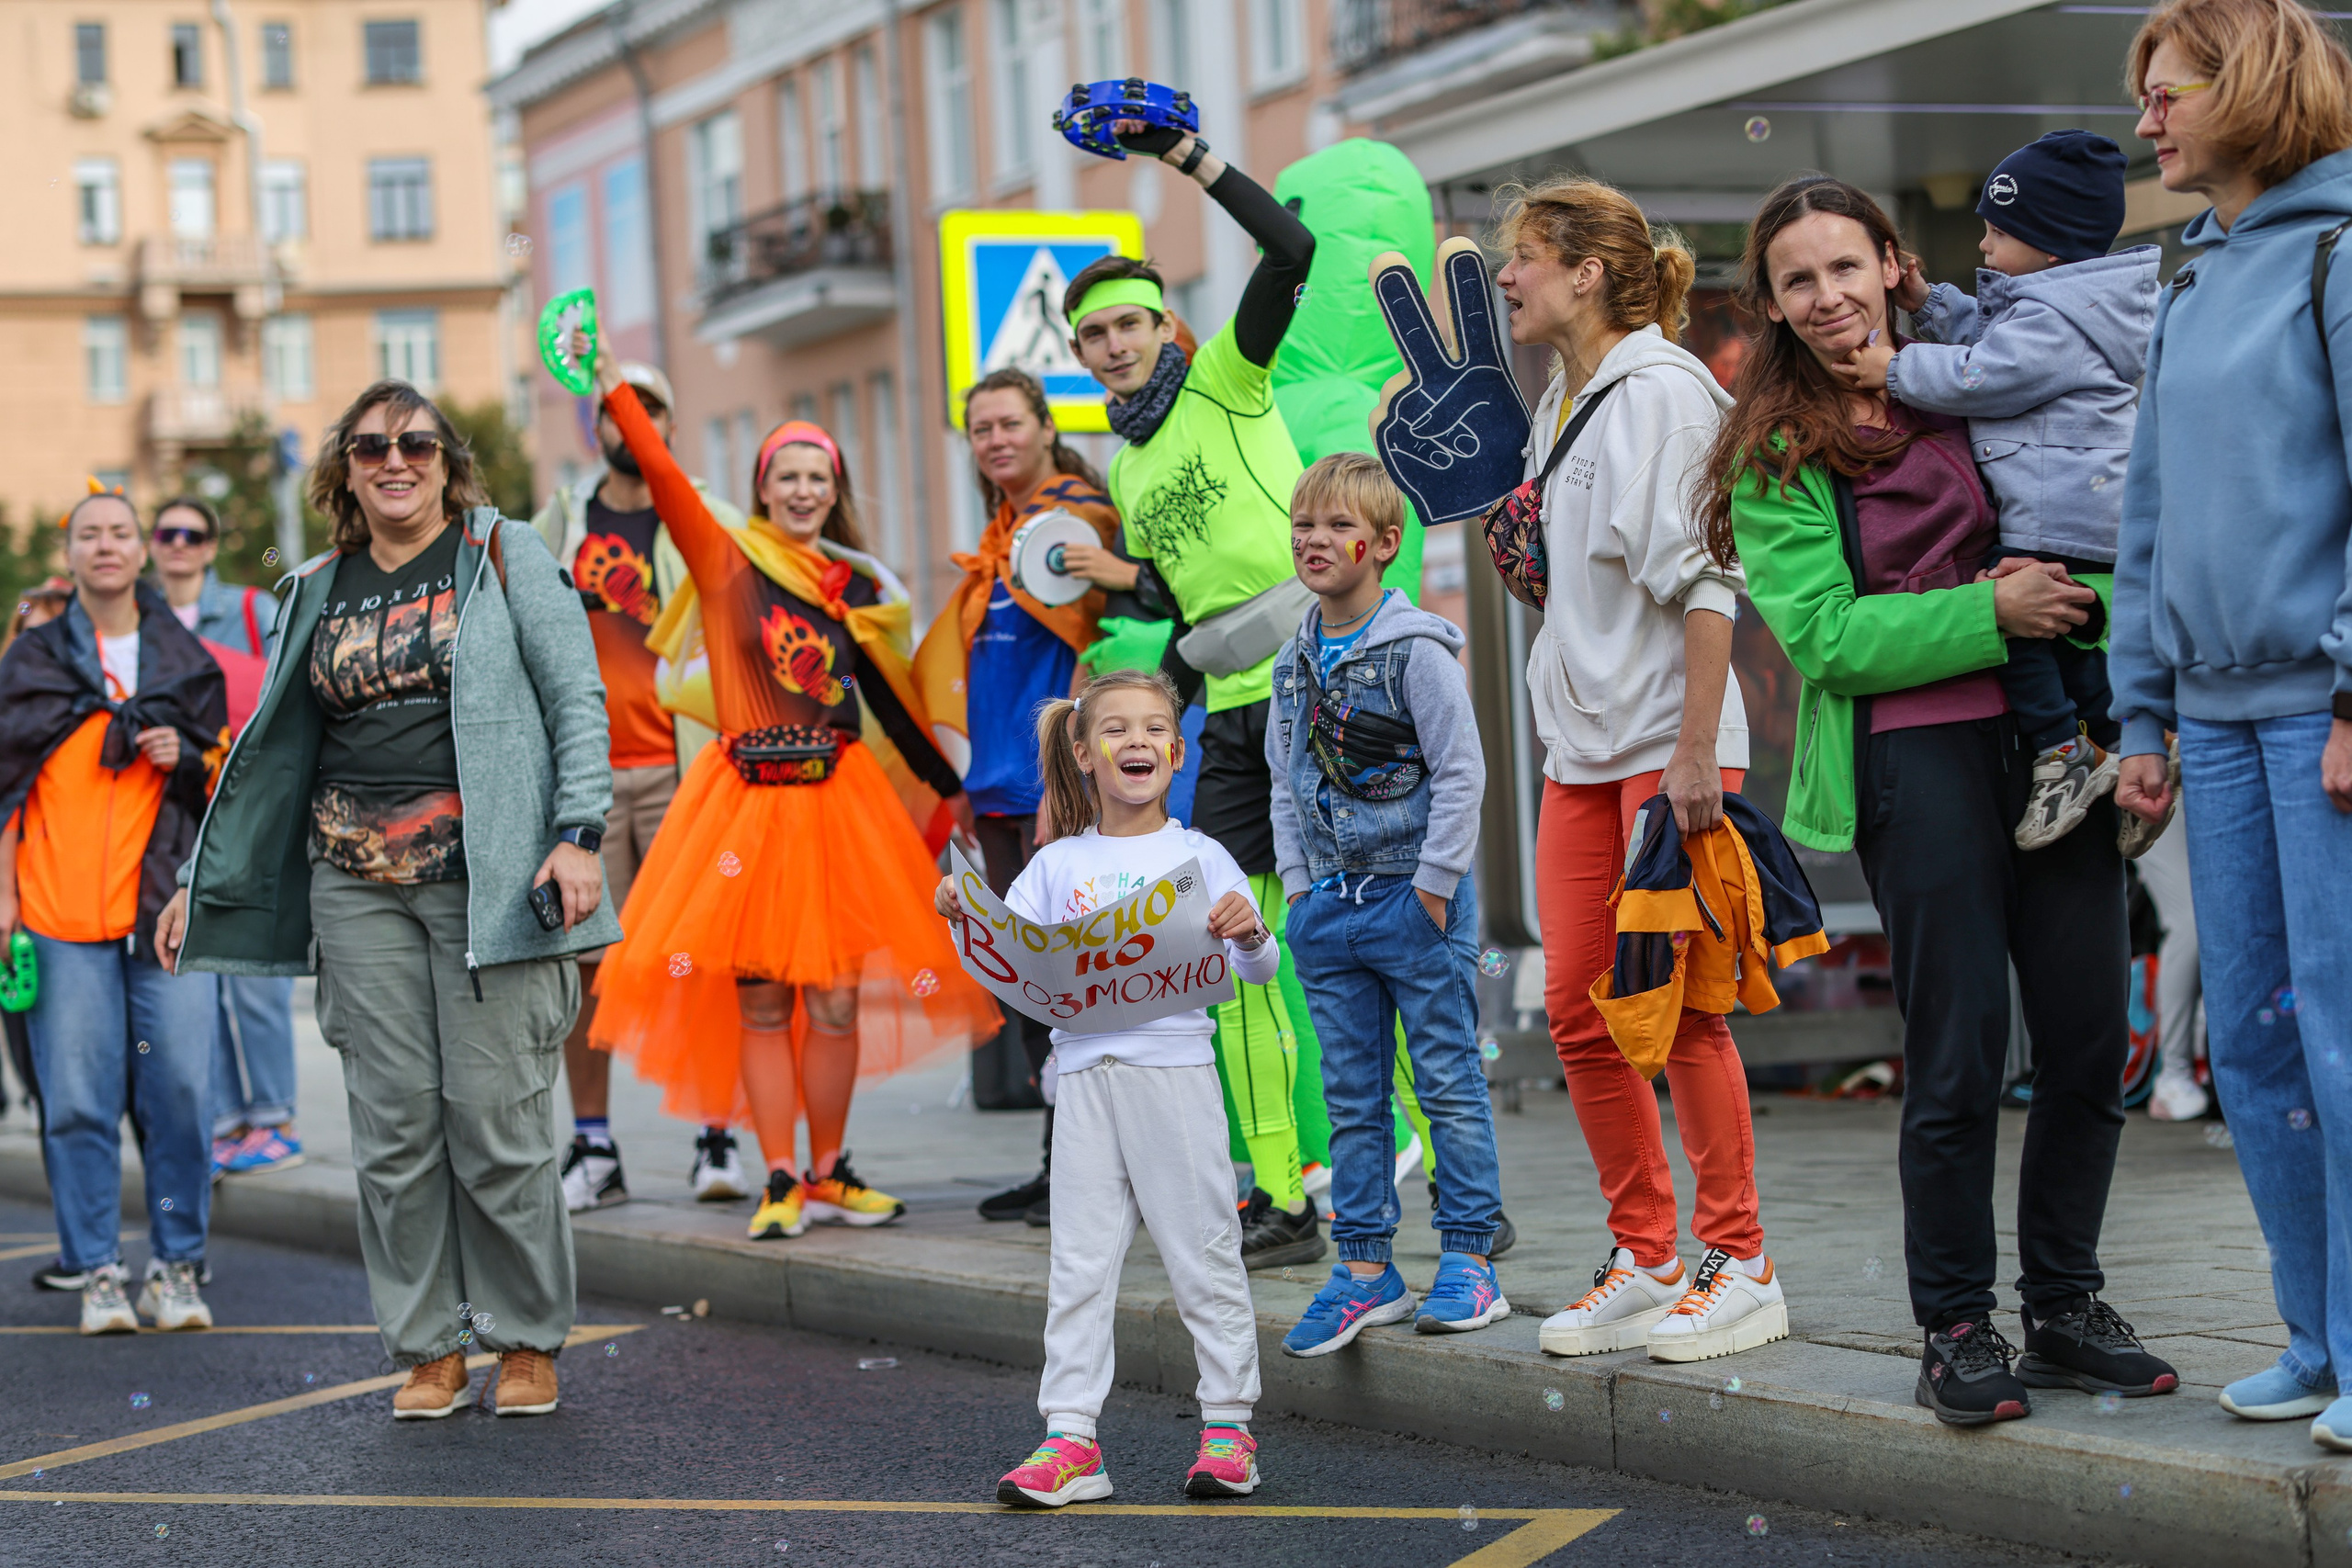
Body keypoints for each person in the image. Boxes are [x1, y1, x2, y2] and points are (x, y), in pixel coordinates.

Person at [1707, 175, 2178, 1426]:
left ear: (1894, 265)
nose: (1827, 298)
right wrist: (1992, 611)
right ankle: (1956, 1323)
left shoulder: (1982, 366)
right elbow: (1824, 638)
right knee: (1961, 1050)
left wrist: (2137, 724)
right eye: (1799, 279)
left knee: (2086, 1035)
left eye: (1845, 268)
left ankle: (2065, 1303)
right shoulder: (1776, 448)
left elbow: (2097, 523)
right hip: (1915, 762)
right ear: (1775, 302)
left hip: (2056, 747)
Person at [162, 379, 616, 1418]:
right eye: (371, 447)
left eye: (415, 443)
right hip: (352, 881)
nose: (393, 461)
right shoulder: (315, 584)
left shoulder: (504, 557)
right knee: (395, 1128)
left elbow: (573, 697)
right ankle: (431, 1345)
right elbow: (267, 758)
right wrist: (197, 879)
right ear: (346, 469)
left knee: (494, 1119)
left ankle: (525, 1336)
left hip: (489, 879)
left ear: (450, 463)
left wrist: (578, 833)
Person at [583, 349, 999, 1243]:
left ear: (833, 489)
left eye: (819, 476)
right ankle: (777, 1176)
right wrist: (612, 386)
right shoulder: (725, 560)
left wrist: (948, 788)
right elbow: (659, 474)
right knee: (764, 1003)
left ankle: (829, 1171)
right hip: (743, 808)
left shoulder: (851, 587)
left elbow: (885, 698)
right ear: (761, 488)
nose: (804, 490)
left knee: (838, 1002)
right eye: (788, 475)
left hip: (838, 803)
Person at [1471, 176, 1778, 1363]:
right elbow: (1586, 586)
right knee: (1578, 1007)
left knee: (1681, 1008)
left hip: (1665, 747)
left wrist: (1698, 748)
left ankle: (1740, 1258)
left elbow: (1710, 582)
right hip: (1581, 750)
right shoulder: (1565, 402)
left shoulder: (1663, 393)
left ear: (1588, 271)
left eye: (1526, 258)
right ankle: (1648, 1248)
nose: (1509, 279)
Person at [2110, 0, 2352, 1447]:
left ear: (2250, 89)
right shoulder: (2191, 274)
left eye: (2167, 90)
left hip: (2317, 715)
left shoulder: (2340, 250)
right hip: (2210, 717)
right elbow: (2147, 514)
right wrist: (2142, 709)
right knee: (2254, 1045)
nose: (2148, 118)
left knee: (2339, 1034)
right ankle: (2315, 1337)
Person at [1056, 117, 1325, 1269]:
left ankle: (1439, 1183)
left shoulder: (1225, 375)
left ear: (1165, 325)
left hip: (1319, 680)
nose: (1113, 347)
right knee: (1234, 949)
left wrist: (1188, 158)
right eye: (1093, 337)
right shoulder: (1125, 460)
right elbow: (1180, 588)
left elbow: (1290, 254)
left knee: (1355, 942)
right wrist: (1123, 706)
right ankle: (1279, 1197)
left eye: (1127, 325)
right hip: (1227, 713)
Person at [935, 668, 1276, 1507]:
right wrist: (963, 916)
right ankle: (1071, 1440)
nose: (1136, 742)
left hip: (1177, 1077)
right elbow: (1011, 965)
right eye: (1115, 729)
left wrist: (1251, 928)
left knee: (1204, 1253)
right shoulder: (1057, 864)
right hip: (1084, 1081)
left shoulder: (1201, 855)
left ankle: (1229, 1428)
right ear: (1083, 753)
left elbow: (1260, 968)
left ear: (1177, 748)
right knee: (1078, 1265)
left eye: (1152, 728)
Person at [1837, 130, 2158, 851]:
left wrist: (1893, 370)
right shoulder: (2068, 307)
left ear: (2048, 246)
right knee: (2075, 644)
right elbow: (1993, 337)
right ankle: (2127, 746)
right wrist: (1929, 300)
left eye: (1998, 231)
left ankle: (2060, 752)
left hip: (2061, 508)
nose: (1983, 247)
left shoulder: (2050, 321)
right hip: (2082, 502)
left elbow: (1985, 372)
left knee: (2014, 622)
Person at [1266, 455, 1508, 1354]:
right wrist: (1297, 892)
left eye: (1335, 526)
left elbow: (1461, 772)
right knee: (1351, 1097)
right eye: (1303, 525)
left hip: (1414, 900)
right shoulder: (1293, 660)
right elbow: (1284, 784)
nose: (1315, 541)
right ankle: (1365, 1270)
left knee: (1446, 1083)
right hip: (1327, 908)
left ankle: (1471, 1259)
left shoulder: (1417, 650)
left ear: (1383, 543)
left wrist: (1435, 890)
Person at [1, 491, 226, 1334]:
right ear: (71, 556)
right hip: (57, 914)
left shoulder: (186, 660)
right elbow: (5, 792)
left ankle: (175, 1266)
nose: (106, 545)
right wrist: (4, 902)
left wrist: (189, 755)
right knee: (77, 1100)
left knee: (179, 1090)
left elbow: (230, 784)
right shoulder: (30, 662)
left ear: (143, 554)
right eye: (89, 534)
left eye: (120, 533)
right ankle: (97, 1270)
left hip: (164, 916)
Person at [530, 360, 750, 1212]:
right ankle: (594, 1147)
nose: (632, 420)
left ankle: (715, 1135)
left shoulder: (704, 516)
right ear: (596, 429)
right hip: (582, 783)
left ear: (668, 421)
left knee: (704, 959)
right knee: (582, 966)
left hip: (687, 769)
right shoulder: (559, 523)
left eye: (650, 406)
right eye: (618, 410)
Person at [914, 368, 1122, 1223]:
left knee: (1071, 983)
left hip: (1050, 787)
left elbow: (1098, 649)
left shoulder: (1077, 519)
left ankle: (1093, 1172)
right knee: (1031, 987)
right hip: (997, 783)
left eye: (1009, 423)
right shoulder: (1002, 531)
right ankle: (1059, 1160)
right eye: (979, 429)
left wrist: (1066, 784)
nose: (995, 439)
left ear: (1044, 426)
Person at [148, 494, 304, 1181]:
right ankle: (227, 1119)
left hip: (249, 809)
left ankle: (275, 1119)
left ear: (210, 546)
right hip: (174, 813)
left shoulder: (249, 610)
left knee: (253, 977)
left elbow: (292, 689)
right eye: (166, 533)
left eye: (193, 534)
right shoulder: (141, 618)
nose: (178, 544)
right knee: (197, 971)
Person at [2, 576, 70, 1172]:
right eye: (28, 636)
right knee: (41, 1070)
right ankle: (78, 1233)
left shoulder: (100, 709)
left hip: (83, 911)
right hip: (19, 917)